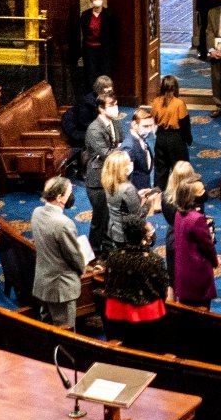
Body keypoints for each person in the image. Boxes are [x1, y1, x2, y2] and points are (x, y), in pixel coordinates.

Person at [102, 219, 170, 350]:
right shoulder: (154, 260)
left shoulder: (113, 256)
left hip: (116, 313)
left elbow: (108, 283)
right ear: (144, 236)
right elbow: (163, 289)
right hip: (147, 315)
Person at [30, 176, 87, 326]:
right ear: (59, 197)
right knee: (65, 334)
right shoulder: (63, 223)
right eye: (69, 193)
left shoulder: (36, 212)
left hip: (43, 282)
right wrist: (83, 269)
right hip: (61, 288)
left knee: (46, 326)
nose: (71, 196)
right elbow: (74, 256)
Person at [168, 179, 221, 309]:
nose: (205, 193)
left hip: (183, 272)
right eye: (201, 191)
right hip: (197, 275)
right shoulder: (197, 219)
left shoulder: (178, 214)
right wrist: (215, 261)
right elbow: (207, 246)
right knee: (201, 314)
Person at [82, 92, 124, 245]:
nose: (116, 108)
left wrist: (119, 148)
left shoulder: (116, 123)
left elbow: (122, 143)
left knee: (110, 217)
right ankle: (96, 250)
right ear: (101, 108)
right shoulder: (94, 129)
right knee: (99, 219)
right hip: (97, 180)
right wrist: (119, 149)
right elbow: (107, 153)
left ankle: (107, 248)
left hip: (112, 176)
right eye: (111, 106)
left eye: (116, 104)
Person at [69, 0, 117, 92]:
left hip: (104, 50)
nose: (97, 0)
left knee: (104, 74)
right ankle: (92, 97)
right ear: (91, 1)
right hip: (89, 49)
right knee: (90, 75)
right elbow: (82, 32)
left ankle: (104, 96)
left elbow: (113, 34)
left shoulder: (108, 14)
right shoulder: (85, 15)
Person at [149, 74, 191, 187]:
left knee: (160, 171)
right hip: (176, 139)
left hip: (161, 138)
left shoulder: (156, 101)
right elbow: (184, 124)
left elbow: (152, 120)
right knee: (181, 170)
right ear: (176, 88)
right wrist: (188, 140)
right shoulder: (179, 103)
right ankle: (181, 196)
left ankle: (158, 198)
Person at [123, 106, 158, 192]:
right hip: (136, 192)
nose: (149, 130)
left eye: (151, 126)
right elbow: (126, 179)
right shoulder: (129, 147)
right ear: (134, 124)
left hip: (144, 187)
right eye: (145, 126)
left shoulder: (141, 139)